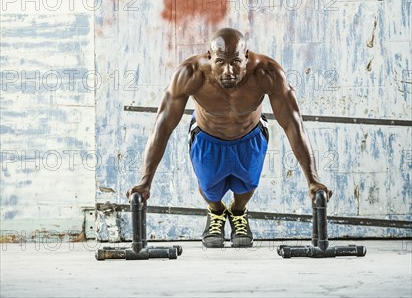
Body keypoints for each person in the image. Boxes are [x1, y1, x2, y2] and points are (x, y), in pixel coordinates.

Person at [127, 27, 332, 248]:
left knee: (246, 185)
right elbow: (162, 126)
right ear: (209, 57)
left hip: (250, 136)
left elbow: (293, 125)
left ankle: (238, 212)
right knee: (210, 188)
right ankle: (216, 212)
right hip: (207, 138)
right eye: (221, 63)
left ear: (246, 57)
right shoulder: (190, 74)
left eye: (235, 62)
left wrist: (312, 179)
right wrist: (144, 182)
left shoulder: (267, 73)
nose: (228, 71)